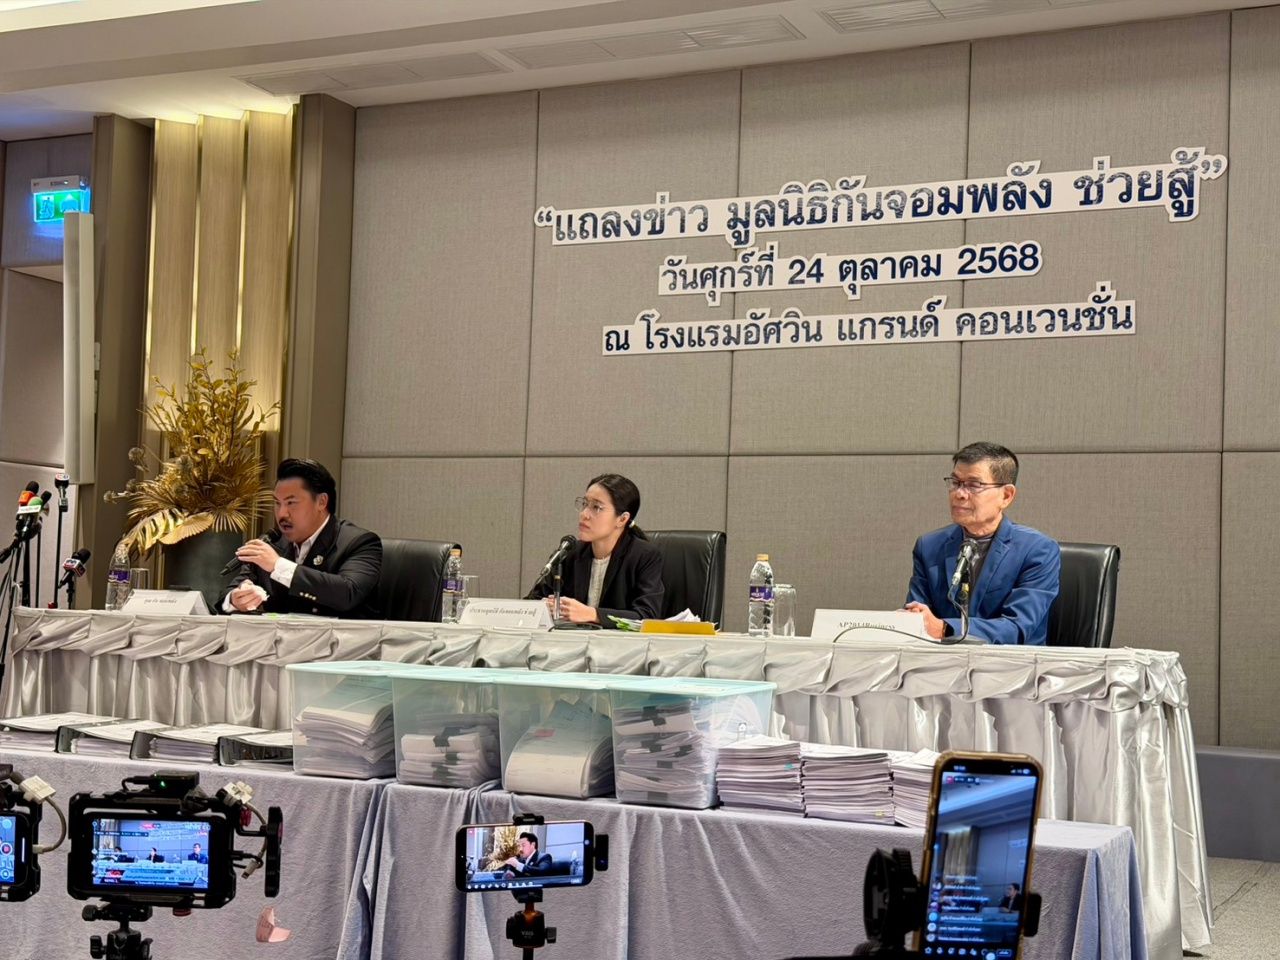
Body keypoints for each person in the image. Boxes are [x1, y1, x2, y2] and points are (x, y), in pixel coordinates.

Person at [904, 443, 1060, 645]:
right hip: (941, 662)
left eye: (974, 485)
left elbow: (1017, 627)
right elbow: (918, 616)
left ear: (1006, 496)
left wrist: (946, 628)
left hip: (1011, 662)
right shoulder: (929, 546)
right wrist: (912, 619)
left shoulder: (1037, 550)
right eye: (956, 482)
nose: (959, 493)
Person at [224, 458, 383, 618]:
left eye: (291, 503)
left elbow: (348, 593)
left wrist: (278, 565)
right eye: (277, 503)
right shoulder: (273, 542)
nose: (282, 514)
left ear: (321, 502)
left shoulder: (360, 543)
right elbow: (228, 593)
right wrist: (235, 599)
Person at [526, 474, 664, 627]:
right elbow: (531, 603)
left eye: (596, 507)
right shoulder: (569, 553)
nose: (584, 514)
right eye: (585, 504)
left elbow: (647, 615)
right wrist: (545, 607)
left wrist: (592, 614)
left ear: (622, 519)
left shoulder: (644, 556)